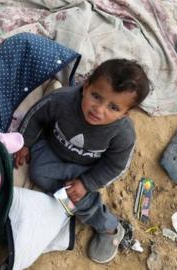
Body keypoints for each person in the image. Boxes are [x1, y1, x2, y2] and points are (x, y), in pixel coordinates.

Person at [14, 59, 151, 264]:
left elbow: (115, 165)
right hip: (52, 149)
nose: (99, 109)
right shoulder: (62, 100)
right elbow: (36, 116)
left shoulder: (123, 133)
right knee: (38, 172)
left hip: (86, 168)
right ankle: (68, 199)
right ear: (86, 85)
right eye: (96, 96)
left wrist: (87, 183)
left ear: (125, 113)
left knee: (77, 195)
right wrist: (24, 142)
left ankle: (109, 226)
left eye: (113, 107)